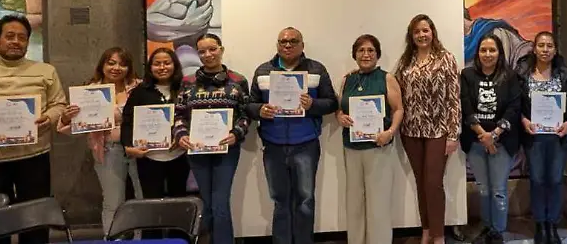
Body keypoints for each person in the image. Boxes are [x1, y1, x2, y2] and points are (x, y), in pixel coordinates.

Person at [0, 15, 67, 244]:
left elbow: (59, 104)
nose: (16, 41)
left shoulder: (45, 71)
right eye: (9, 36)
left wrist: (48, 118)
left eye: (22, 37)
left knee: (34, 218)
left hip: (33, 156)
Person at [246, 27, 337, 244]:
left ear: (302, 45)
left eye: (293, 41)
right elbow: (249, 105)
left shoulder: (316, 69)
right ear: (277, 45)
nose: (288, 45)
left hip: (305, 144)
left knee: (305, 201)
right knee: (280, 201)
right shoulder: (263, 71)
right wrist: (260, 110)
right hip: (273, 145)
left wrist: (313, 104)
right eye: (283, 41)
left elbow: (332, 102)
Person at [173, 34, 250, 244]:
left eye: (212, 49)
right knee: (206, 202)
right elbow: (179, 114)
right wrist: (181, 135)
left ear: (221, 50)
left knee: (220, 203)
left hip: (227, 151)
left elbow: (245, 115)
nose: (208, 55)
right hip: (196, 150)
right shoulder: (187, 82)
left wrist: (236, 134)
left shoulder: (238, 81)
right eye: (202, 51)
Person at [57, 46, 143, 235]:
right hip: (108, 150)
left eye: (122, 64)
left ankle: (141, 240)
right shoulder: (89, 92)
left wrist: (117, 115)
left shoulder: (139, 87)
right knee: (113, 201)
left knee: (142, 200)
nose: (116, 68)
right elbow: (77, 128)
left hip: (139, 149)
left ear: (129, 67)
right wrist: (66, 118)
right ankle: (113, 239)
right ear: (102, 65)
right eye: (111, 63)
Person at [394, 14, 460, 244]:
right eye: (417, 32)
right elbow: (394, 92)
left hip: (438, 132)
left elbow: (454, 99)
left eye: (425, 30)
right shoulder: (405, 63)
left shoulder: (446, 59)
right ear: (411, 37)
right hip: (411, 131)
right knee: (421, 183)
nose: (422, 35)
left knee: (434, 184)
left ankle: (439, 235)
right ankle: (425, 230)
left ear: (433, 32)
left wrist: (453, 134)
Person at [335, 34, 404, 244]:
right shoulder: (347, 79)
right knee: (354, 202)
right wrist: (340, 117)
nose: (366, 54)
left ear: (377, 54)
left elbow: (399, 109)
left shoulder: (387, 78)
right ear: (355, 54)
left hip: (378, 147)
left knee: (378, 204)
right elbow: (340, 109)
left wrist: (390, 132)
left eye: (370, 50)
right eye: (361, 50)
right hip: (352, 147)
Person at [517, 31, 567, 244]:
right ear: (534, 48)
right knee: (537, 180)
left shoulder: (565, 73)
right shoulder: (522, 73)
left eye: (550, 46)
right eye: (541, 45)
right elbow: (512, 102)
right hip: (534, 137)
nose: (545, 50)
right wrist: (523, 120)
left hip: (558, 137)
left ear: (555, 50)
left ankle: (552, 224)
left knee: (555, 181)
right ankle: (540, 223)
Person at [460, 34, 522, 244]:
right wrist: (483, 136)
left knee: (498, 190)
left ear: (499, 53)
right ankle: (486, 226)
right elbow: (465, 107)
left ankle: (498, 231)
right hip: (476, 141)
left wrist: (494, 135)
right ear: (478, 53)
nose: (488, 54)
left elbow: (514, 108)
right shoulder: (467, 75)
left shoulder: (510, 76)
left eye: (492, 50)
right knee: (484, 188)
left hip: (501, 142)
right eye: (484, 50)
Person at [122, 48, 190, 238]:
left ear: (175, 65)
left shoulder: (185, 89)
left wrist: (183, 136)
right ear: (150, 67)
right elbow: (127, 121)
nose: (162, 67)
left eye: (167, 63)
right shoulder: (140, 92)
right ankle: (152, 240)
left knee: (178, 202)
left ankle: (179, 240)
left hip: (179, 156)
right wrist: (129, 146)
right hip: (149, 158)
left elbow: (192, 118)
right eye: (157, 63)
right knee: (151, 206)